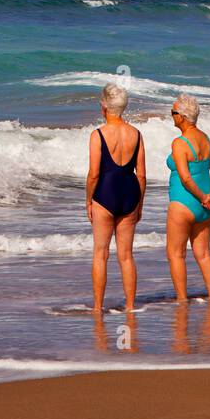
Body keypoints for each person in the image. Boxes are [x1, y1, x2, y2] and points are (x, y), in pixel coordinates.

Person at [85, 83, 146, 313]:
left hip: (105, 195)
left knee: (101, 254)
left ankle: (98, 307)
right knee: (126, 256)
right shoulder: (136, 135)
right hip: (130, 194)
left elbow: (94, 174)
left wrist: (88, 201)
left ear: (103, 106)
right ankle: (130, 306)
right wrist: (139, 204)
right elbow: (141, 174)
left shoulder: (98, 135)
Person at [166, 92, 210, 303]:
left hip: (184, 203)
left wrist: (203, 197)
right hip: (205, 207)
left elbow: (186, 179)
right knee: (204, 254)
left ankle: (182, 301)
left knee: (176, 254)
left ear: (181, 116)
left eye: (173, 112)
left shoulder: (179, 143)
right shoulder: (206, 139)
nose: (172, 116)